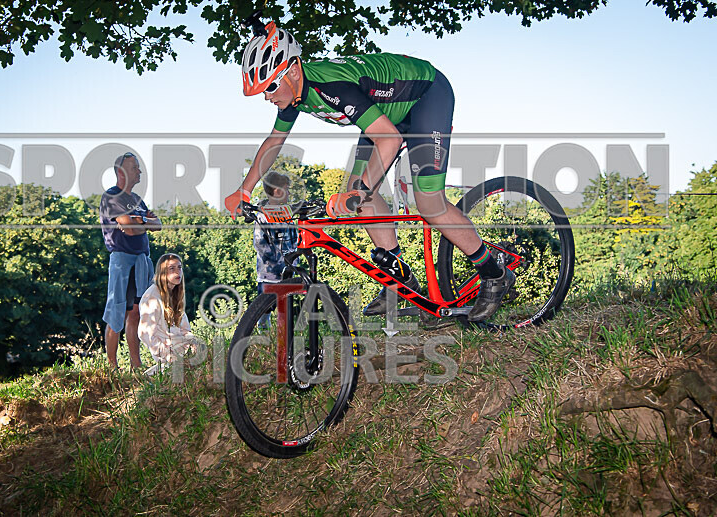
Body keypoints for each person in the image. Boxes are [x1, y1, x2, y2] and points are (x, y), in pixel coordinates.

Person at [225, 22, 514, 322]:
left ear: (293, 71)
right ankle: (399, 276)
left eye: (270, 86)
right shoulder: (294, 95)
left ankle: (494, 274)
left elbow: (389, 140)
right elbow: (275, 141)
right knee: (358, 191)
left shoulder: (333, 87)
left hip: (425, 97)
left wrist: (357, 194)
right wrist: (243, 190)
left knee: (428, 202)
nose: (267, 96)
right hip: (385, 115)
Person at [100, 152, 162, 369]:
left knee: (136, 312)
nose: (140, 172)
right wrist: (141, 221)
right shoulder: (112, 197)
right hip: (122, 262)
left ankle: (136, 365)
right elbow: (129, 228)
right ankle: (112, 367)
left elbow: (158, 224)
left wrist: (138, 221)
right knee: (116, 312)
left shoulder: (137, 200)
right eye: (135, 167)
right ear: (121, 172)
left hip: (141, 262)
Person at [253, 171, 299, 327]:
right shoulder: (262, 216)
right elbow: (260, 243)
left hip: (288, 271)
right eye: (287, 189)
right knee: (264, 307)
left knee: (285, 307)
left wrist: (294, 259)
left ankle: (283, 336)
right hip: (269, 273)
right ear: (278, 191)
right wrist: (276, 261)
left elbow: (294, 238)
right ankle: (263, 329)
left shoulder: (288, 215)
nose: (289, 193)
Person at [138, 253, 196, 372]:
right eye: (172, 268)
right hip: (168, 357)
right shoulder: (152, 297)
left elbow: (185, 330)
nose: (177, 272)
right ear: (163, 272)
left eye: (179, 267)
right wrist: (167, 355)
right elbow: (145, 334)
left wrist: (194, 344)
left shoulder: (175, 294)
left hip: (182, 355)